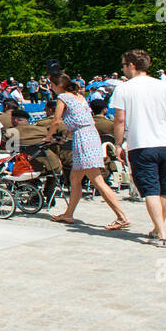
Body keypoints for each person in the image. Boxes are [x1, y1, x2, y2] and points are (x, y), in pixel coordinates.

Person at [111, 49, 166, 245]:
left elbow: (120, 120)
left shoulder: (123, 89)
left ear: (131, 65)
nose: (122, 69)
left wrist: (118, 144)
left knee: (150, 191)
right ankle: (158, 227)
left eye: (123, 65)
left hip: (141, 145)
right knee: (164, 189)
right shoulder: (164, 87)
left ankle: (161, 232)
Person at [46, 73, 128, 226]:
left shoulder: (63, 97)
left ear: (58, 85)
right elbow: (80, 119)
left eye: (51, 85)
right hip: (89, 135)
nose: (51, 88)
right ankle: (69, 214)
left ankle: (122, 216)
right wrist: (68, 135)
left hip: (83, 139)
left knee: (97, 180)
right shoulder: (78, 97)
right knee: (75, 179)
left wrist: (49, 136)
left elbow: (56, 120)